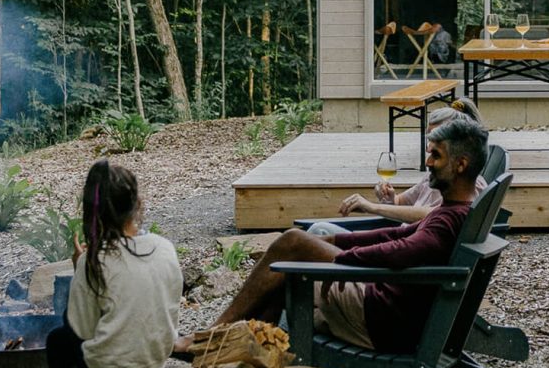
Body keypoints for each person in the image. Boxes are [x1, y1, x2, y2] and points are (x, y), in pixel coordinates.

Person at [209, 114, 488, 354]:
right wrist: (332, 242)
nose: (428, 161)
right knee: (294, 256)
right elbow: (390, 237)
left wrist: (344, 261)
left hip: (383, 321)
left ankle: (214, 336)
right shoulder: (455, 211)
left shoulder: (448, 219)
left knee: (291, 244)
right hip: (390, 310)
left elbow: (402, 249)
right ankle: (247, 349)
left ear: (460, 165)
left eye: (435, 155)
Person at [26, 159, 183, 368]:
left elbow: (81, 329)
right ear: (138, 204)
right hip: (156, 356)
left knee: (60, 341)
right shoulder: (164, 248)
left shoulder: (93, 260)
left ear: (91, 212)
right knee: (81, 338)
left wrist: (80, 268)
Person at [308, 98, 486, 236]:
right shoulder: (434, 178)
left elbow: (439, 215)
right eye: (428, 139)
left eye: (436, 140)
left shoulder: (470, 184)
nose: (428, 151)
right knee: (296, 239)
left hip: (400, 260)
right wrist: (389, 197)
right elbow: (401, 202)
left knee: (318, 232)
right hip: (398, 243)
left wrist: (373, 207)